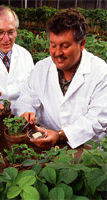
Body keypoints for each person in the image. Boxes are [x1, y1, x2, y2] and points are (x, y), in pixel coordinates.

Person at [14, 8, 107, 149]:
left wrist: (61, 134)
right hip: (47, 144)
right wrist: (26, 113)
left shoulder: (100, 72)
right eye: (53, 45)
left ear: (82, 44)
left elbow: (97, 120)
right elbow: (26, 99)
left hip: (86, 149)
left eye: (65, 46)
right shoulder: (41, 68)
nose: (57, 53)